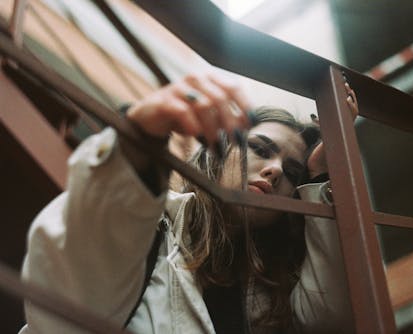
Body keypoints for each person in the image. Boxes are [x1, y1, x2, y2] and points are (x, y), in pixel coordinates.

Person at [19, 72, 358, 334]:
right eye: (260, 149)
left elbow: (330, 318)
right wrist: (138, 145)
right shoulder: (152, 228)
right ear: (219, 154)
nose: (274, 170)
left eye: (292, 170)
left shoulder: (271, 296)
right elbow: (68, 297)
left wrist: (318, 176)